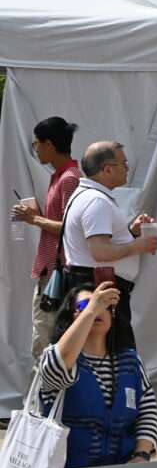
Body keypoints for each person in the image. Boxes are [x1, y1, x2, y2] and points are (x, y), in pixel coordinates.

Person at [34, 283, 157, 468]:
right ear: (71, 317)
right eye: (84, 306)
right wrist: (91, 310)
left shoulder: (131, 361)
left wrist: (141, 455)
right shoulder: (57, 356)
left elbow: (147, 413)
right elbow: (58, 367)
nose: (98, 309)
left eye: (105, 306)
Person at [60, 140, 157, 354]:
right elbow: (100, 251)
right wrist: (137, 245)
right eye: (123, 163)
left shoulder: (88, 196)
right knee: (110, 354)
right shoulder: (96, 201)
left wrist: (131, 232)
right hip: (98, 289)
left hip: (92, 286)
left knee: (100, 352)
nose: (127, 168)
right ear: (107, 169)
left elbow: (100, 244)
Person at [12, 116, 81, 359]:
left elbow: (71, 228)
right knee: (44, 340)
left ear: (49, 144)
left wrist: (35, 220)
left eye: (37, 144)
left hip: (57, 275)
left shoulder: (70, 178)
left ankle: (47, 394)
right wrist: (36, 215)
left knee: (45, 344)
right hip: (49, 273)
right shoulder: (59, 176)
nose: (36, 150)